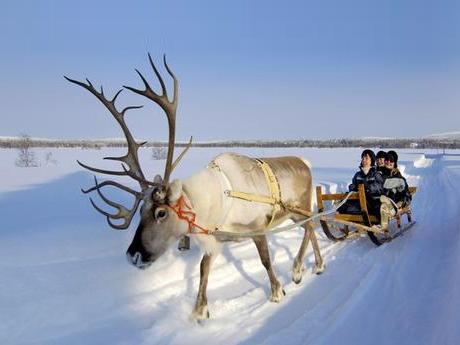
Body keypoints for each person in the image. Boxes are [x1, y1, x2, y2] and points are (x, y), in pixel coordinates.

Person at [373, 150, 412, 232]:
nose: (388, 162)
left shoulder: (397, 175)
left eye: (391, 160)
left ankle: (383, 228)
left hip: (395, 205)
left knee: (383, 204)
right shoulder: (380, 173)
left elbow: (405, 191)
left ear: (395, 162)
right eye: (387, 160)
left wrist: (404, 202)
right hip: (382, 201)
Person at [338, 149, 384, 216]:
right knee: (344, 206)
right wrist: (353, 187)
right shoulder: (358, 175)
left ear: (372, 160)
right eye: (362, 158)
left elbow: (379, 187)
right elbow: (353, 185)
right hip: (359, 201)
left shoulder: (376, 174)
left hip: (372, 202)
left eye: (366, 158)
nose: (364, 160)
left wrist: (367, 188)